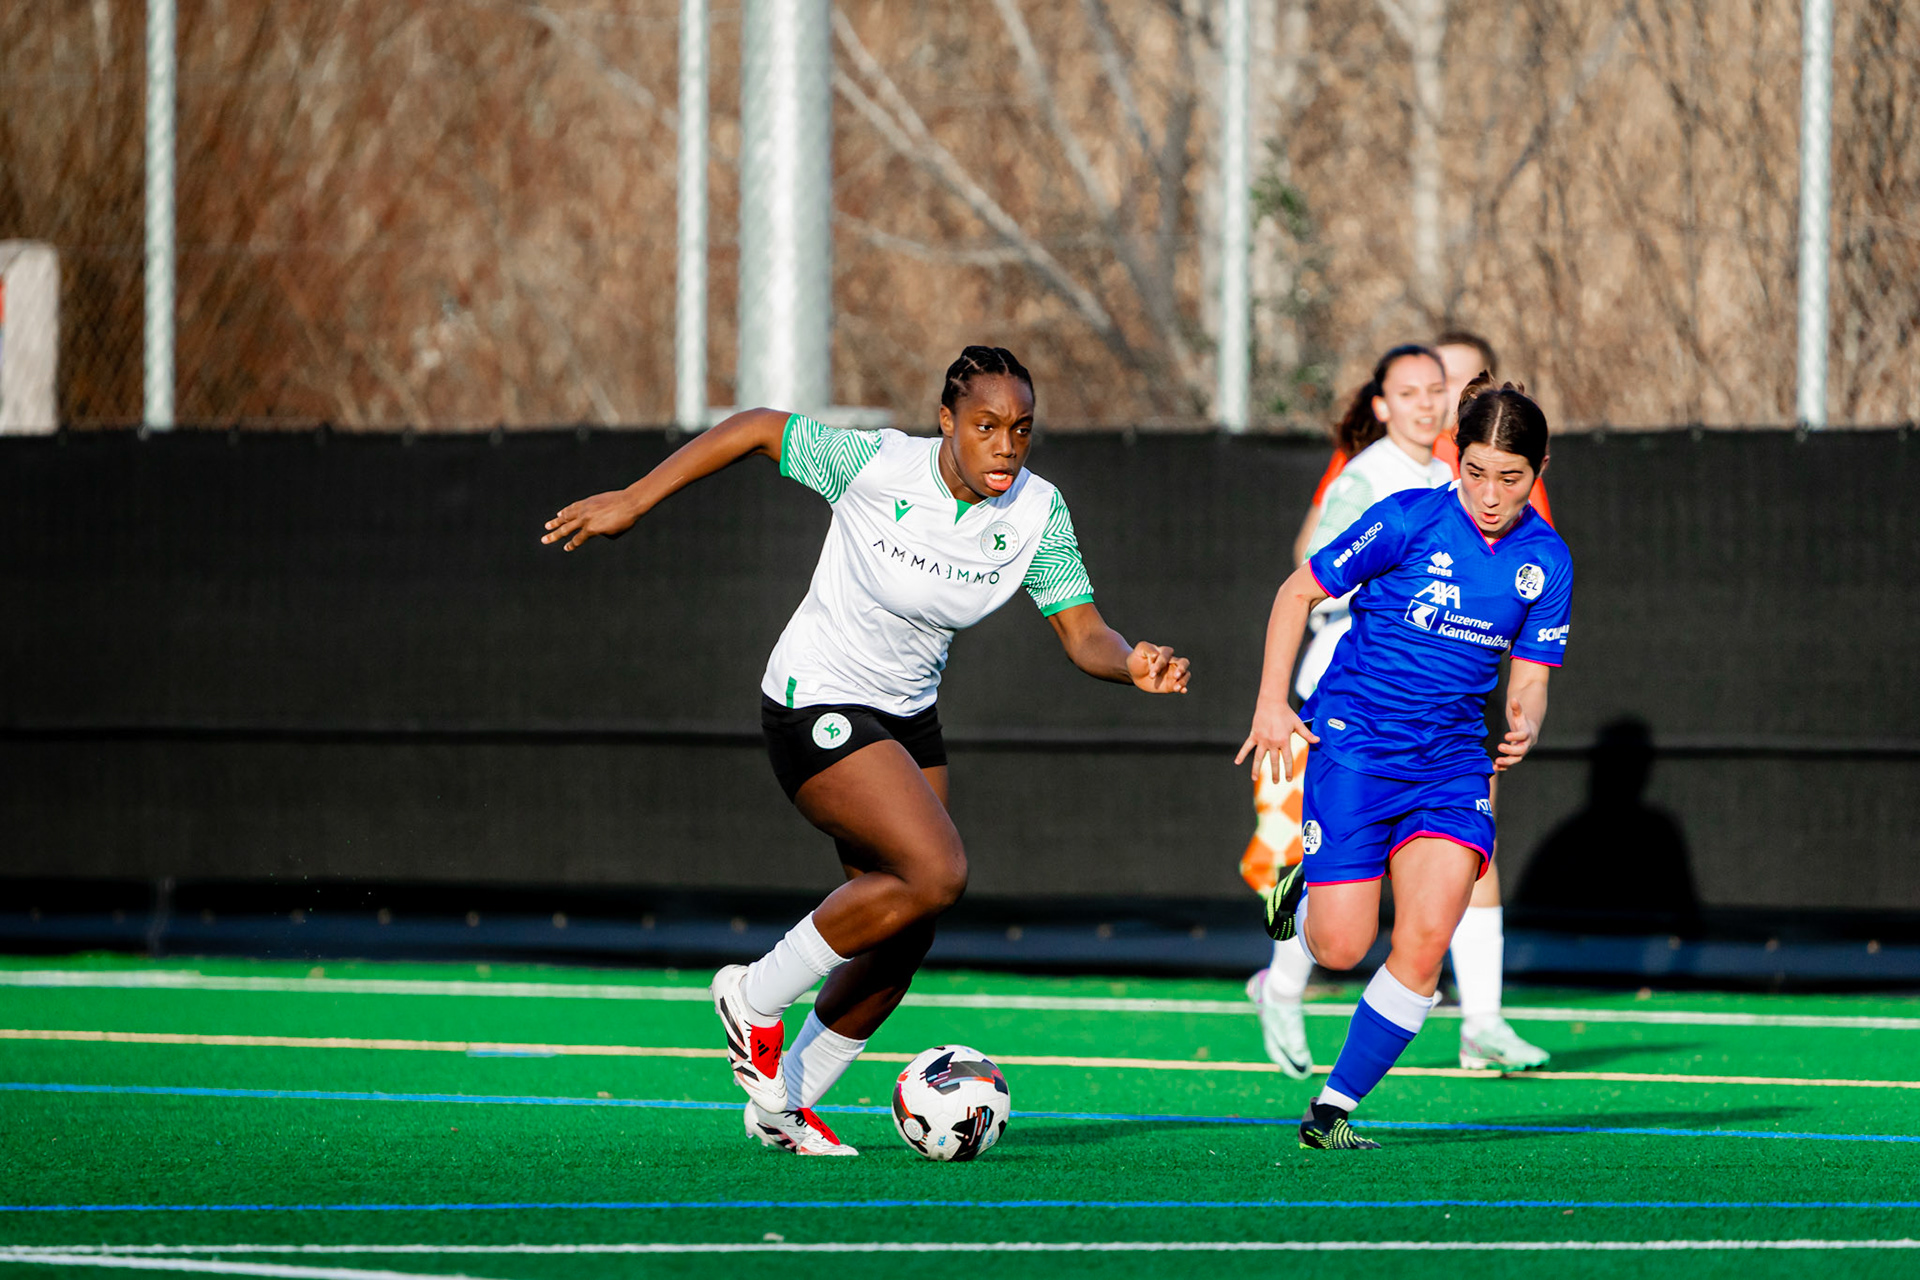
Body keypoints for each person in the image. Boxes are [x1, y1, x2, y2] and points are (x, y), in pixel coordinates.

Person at [542, 345, 1190, 1157]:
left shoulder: (1037, 511)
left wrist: (1131, 662)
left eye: (1022, 429)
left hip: (907, 717)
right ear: (945, 422)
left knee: (910, 921)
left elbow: (1084, 632)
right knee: (938, 871)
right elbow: (755, 429)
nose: (1005, 446)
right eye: (985, 426)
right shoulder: (879, 463)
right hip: (814, 696)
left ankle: (786, 1104)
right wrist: (635, 500)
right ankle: (752, 995)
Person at [1237, 375, 1572, 1150]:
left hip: (1454, 761)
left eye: (1511, 477)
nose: (1490, 494)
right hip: (1354, 743)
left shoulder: (1547, 560)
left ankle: (1331, 1112)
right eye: (1476, 471)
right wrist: (1271, 703)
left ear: (1540, 467)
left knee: (1425, 941)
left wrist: (1526, 717)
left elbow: (1531, 674)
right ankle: (1305, 886)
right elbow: (1296, 595)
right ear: (1457, 458)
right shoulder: (1405, 520)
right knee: (1341, 948)